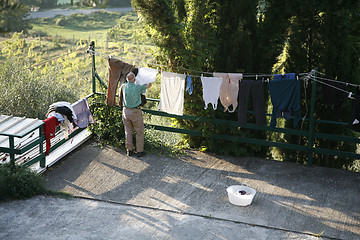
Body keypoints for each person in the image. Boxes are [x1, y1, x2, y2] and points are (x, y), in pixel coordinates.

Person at [119, 72, 151, 157]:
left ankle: (129, 150)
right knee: (139, 131)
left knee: (128, 132)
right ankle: (140, 151)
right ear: (135, 80)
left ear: (127, 79)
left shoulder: (124, 86)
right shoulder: (137, 87)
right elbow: (149, 85)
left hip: (125, 111)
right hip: (135, 112)